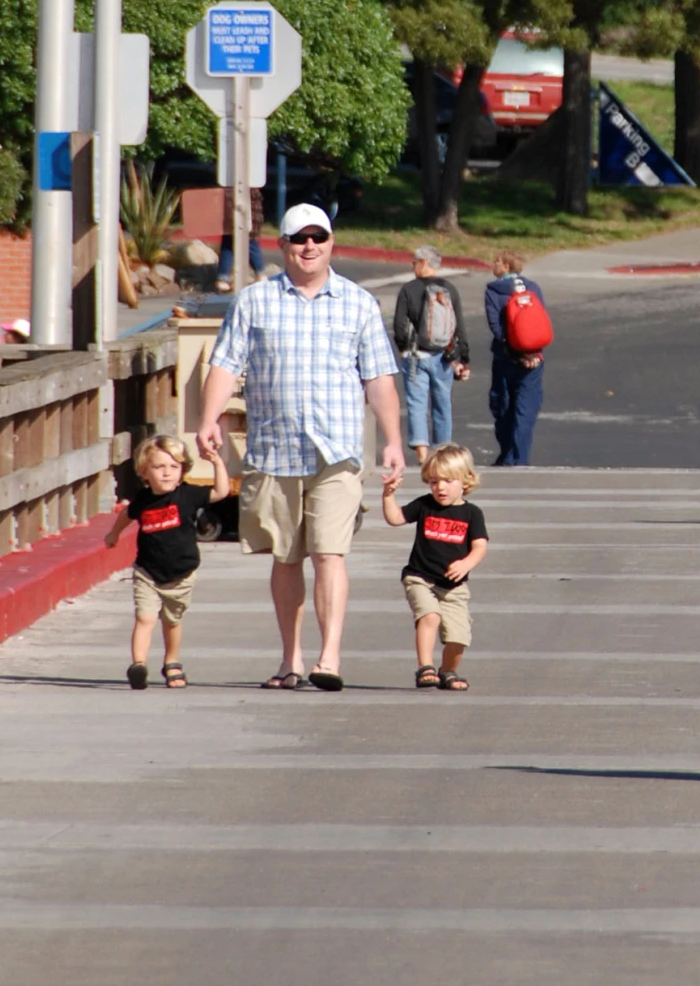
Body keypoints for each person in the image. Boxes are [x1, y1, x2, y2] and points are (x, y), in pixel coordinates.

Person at [197, 202, 405, 693]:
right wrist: (208, 418)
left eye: (318, 237)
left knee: (330, 553)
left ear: (331, 243)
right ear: (283, 246)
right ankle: (290, 659)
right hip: (274, 450)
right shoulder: (254, 302)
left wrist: (394, 440)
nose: (308, 246)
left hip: (337, 453)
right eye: (298, 238)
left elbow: (378, 378)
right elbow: (225, 364)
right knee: (286, 557)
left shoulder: (358, 303)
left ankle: (329, 657)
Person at [106, 436, 231, 690]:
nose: (167, 473)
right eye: (159, 467)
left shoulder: (189, 495)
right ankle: (138, 665)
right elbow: (126, 516)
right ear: (144, 471)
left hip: (181, 574)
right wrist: (114, 534)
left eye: (174, 467)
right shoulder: (143, 499)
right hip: (147, 572)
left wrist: (217, 463)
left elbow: (221, 492)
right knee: (145, 618)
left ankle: (172, 661)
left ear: (183, 471)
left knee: (172, 620)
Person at [382, 442, 488, 691]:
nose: (440, 487)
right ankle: (426, 668)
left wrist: (466, 563)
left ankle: (448, 671)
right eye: (434, 481)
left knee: (458, 637)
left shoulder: (472, 514)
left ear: (466, 480)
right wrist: (388, 495)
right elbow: (396, 518)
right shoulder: (425, 505)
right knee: (429, 616)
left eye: (448, 480)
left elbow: (480, 546)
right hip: (420, 577)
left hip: (453, 586)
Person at [392, 247, 471, 467]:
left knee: (417, 403)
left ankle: (422, 455)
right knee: (442, 403)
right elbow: (459, 325)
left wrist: (403, 348)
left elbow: (399, 325)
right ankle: (443, 453)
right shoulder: (449, 289)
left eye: (415, 261)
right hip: (443, 357)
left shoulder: (409, 289)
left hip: (416, 355)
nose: (412, 265)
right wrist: (463, 358)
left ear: (425, 262)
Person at [486, 250, 549, 467]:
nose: (492, 265)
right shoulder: (533, 287)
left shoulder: (494, 291)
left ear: (505, 266)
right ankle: (520, 458)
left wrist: (514, 352)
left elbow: (496, 327)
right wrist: (531, 353)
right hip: (533, 359)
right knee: (525, 410)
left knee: (502, 406)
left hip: (505, 359)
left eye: (496, 262)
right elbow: (539, 324)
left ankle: (506, 455)